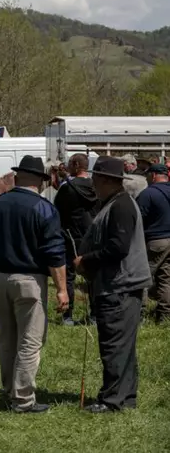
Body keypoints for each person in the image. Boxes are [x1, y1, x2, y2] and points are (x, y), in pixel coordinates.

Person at [0, 156, 68, 414]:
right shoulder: (45, 209)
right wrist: (63, 289)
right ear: (41, 182)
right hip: (31, 280)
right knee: (30, 341)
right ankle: (22, 399)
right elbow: (55, 253)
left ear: (18, 177)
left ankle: (10, 391)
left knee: (7, 339)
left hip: (1, 278)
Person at [74, 156, 152, 413]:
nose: (93, 183)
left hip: (120, 286)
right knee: (123, 344)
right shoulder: (115, 203)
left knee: (114, 344)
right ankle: (125, 397)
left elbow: (118, 248)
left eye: (96, 178)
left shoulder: (120, 206)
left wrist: (86, 259)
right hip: (119, 285)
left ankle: (112, 400)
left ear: (107, 180)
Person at [53, 153, 99, 325]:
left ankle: (68, 316)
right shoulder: (96, 186)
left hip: (71, 236)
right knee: (93, 277)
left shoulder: (67, 188)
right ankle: (95, 315)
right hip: (94, 236)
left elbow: (57, 211)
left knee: (69, 277)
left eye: (70, 163)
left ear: (76, 165)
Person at [137, 163, 170, 323]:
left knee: (142, 277)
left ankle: (139, 314)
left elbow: (137, 219)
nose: (147, 178)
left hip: (155, 241)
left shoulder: (148, 193)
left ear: (154, 175)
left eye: (148, 175)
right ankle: (164, 316)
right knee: (165, 278)